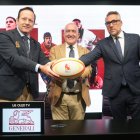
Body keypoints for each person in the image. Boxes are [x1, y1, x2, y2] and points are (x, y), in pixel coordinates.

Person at [80, 11, 140, 120]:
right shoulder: (103, 44)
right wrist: (70, 63)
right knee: (119, 127)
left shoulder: (135, 39)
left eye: (114, 21)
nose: (111, 25)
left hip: (135, 89)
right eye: (107, 23)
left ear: (121, 22)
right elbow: (88, 57)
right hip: (115, 92)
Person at [0, 7, 59, 102]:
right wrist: (40, 67)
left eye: (30, 20)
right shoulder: (5, 37)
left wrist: (56, 65)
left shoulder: (35, 44)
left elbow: (44, 61)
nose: (27, 22)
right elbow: (14, 59)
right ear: (17, 20)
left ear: (33, 24)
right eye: (24, 19)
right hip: (8, 95)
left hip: (30, 95)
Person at [48, 22, 92, 120]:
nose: (70, 34)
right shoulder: (54, 50)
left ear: (78, 35)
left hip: (79, 97)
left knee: (77, 131)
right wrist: (66, 73)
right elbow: (51, 68)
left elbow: (89, 69)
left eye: (73, 31)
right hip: (58, 96)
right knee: (60, 131)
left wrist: (78, 75)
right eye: (68, 31)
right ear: (64, 34)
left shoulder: (85, 51)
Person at [72, 18, 102, 88]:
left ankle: (93, 82)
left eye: (77, 31)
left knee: (92, 72)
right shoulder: (71, 34)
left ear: (81, 28)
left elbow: (100, 42)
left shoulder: (88, 34)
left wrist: (95, 53)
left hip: (90, 54)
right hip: (80, 55)